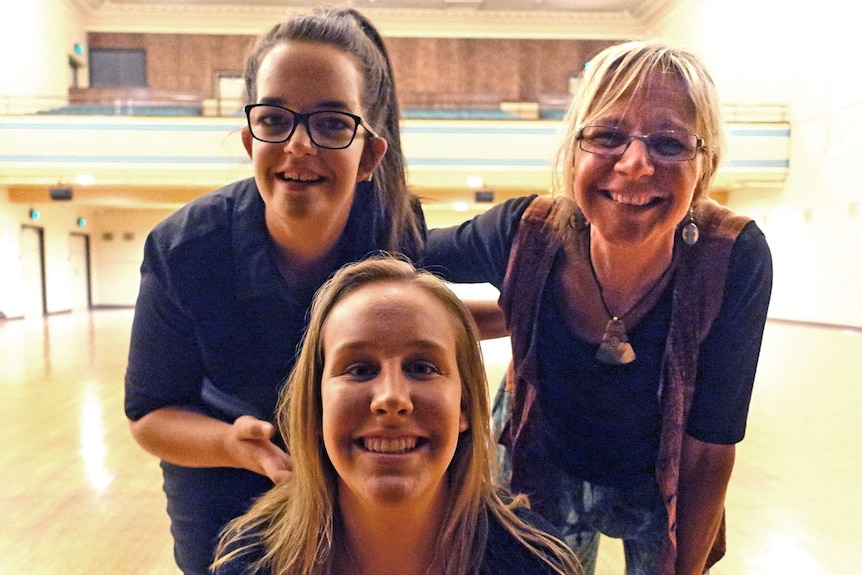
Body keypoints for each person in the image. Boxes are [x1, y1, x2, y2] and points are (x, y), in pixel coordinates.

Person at [423, 41, 773, 575]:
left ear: (704, 168)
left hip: (663, 479)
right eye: (608, 136)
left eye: (670, 143)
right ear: (572, 152)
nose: (635, 164)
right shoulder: (523, 233)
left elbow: (709, 447)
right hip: (546, 461)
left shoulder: (733, 257)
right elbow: (396, 253)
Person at [123, 8, 425, 575]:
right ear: (249, 139)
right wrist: (231, 444)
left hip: (352, 468)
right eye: (275, 119)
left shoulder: (395, 228)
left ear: (370, 156)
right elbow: (150, 415)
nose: (299, 145)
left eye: (332, 123)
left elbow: (423, 330)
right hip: (219, 482)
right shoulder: (186, 248)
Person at [210, 256, 582, 575]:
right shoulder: (251, 560)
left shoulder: (535, 562)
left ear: (465, 406)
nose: (391, 398)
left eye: (422, 368)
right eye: (358, 369)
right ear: (317, 404)